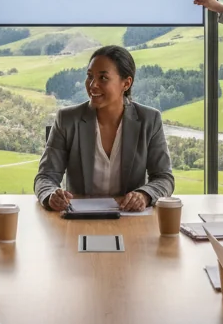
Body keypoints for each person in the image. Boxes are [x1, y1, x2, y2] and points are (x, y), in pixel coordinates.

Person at [34, 45, 175, 212]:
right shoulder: (67, 120)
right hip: (79, 219)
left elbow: (164, 178)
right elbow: (45, 177)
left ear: (126, 83)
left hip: (129, 219)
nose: (93, 85)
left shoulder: (149, 120)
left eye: (103, 78)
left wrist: (144, 195)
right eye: (90, 77)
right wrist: (51, 195)